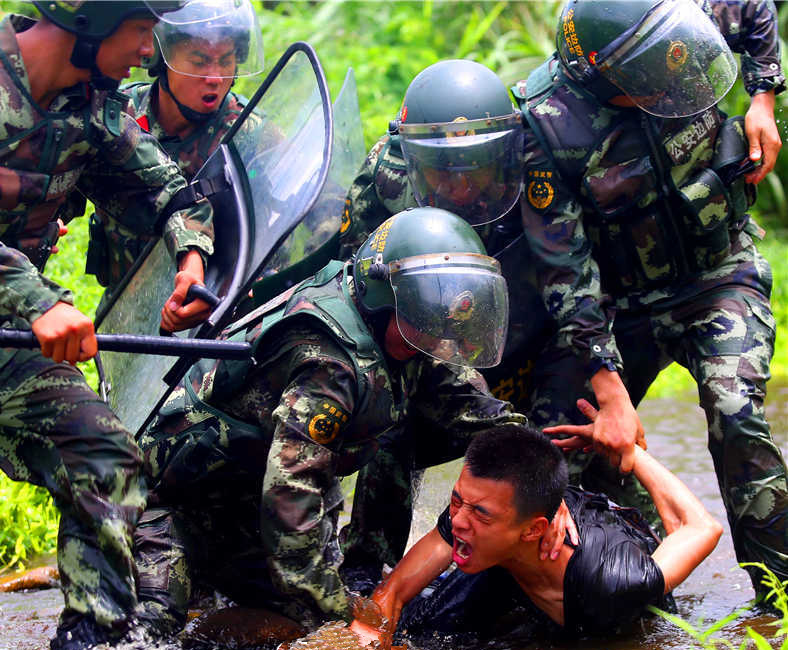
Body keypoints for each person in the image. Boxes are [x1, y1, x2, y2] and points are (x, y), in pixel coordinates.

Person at [0, 1, 219, 648]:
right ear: (90, 20)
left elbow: (167, 188)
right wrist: (41, 302)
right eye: (142, 32)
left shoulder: (94, 105)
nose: (148, 53)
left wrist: (191, 253)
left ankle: (89, 639)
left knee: (107, 459)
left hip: (7, 345)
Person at [130, 207, 579, 639]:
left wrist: (541, 488)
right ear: (388, 303)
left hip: (245, 513)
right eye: (428, 316)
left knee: (299, 627)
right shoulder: (330, 365)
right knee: (149, 628)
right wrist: (343, 611)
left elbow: (484, 413)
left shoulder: (412, 336)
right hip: (173, 502)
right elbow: (291, 496)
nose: (443, 333)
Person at [513, 0, 787, 599]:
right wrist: (609, 393)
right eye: (644, 76)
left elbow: (752, 8)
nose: (667, 78)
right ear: (600, 76)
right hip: (618, 309)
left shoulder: (674, 26)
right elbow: (565, 269)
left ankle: (781, 596)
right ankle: (623, 581)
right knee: (551, 447)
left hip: (718, 275)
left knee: (735, 411)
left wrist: (764, 96)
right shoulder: (547, 127)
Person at [336, 59, 610, 595]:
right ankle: (371, 570)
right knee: (393, 430)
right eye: (441, 172)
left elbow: (571, 266)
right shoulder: (384, 177)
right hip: (431, 334)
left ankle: (592, 556)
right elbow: (357, 275)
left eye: (475, 169)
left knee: (559, 451)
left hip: (530, 326)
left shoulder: (539, 161)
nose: (459, 188)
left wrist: (600, 366)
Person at [350, 416, 722, 646]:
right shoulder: (471, 513)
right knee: (419, 633)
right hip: (509, 562)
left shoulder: (613, 580)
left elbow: (701, 527)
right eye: (457, 500)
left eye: (479, 512)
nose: (459, 521)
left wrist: (630, 451)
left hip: (592, 599)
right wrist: (364, 635)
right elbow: (393, 593)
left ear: (534, 530)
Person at [86, 0, 264, 314]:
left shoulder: (249, 133)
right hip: (125, 304)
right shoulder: (120, 115)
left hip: (213, 307)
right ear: (161, 60)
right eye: (199, 61)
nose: (215, 77)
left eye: (226, 61)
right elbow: (66, 178)